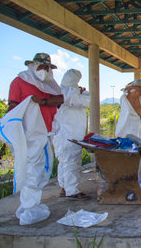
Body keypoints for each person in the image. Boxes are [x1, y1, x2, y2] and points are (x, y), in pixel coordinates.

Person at [0, 53, 64, 225]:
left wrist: (41, 101)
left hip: (45, 133)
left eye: (47, 68)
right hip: (29, 135)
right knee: (31, 172)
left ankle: (33, 205)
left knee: (42, 170)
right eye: (41, 67)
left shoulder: (50, 84)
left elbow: (60, 99)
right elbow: (13, 108)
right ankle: (28, 208)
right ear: (33, 66)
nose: (44, 70)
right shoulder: (19, 82)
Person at [52, 69, 91, 200]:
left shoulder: (58, 91)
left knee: (64, 161)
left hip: (62, 133)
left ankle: (64, 187)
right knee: (72, 161)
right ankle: (72, 190)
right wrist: (82, 92)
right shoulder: (70, 92)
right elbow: (82, 102)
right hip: (70, 133)